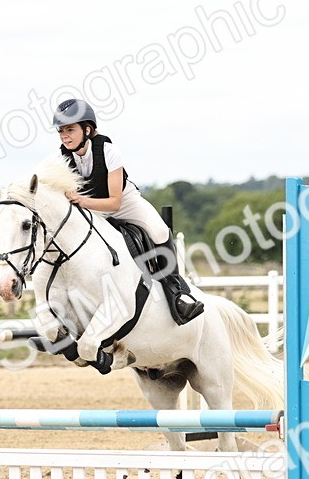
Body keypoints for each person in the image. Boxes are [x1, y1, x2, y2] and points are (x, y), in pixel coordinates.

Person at [52, 98, 204, 325]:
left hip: (124, 202)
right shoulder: (60, 158)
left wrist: (82, 201)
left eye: (70, 129)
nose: (65, 135)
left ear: (87, 129)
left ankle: (176, 293)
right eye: (61, 130)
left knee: (160, 230)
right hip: (89, 208)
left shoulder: (108, 151)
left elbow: (114, 203)